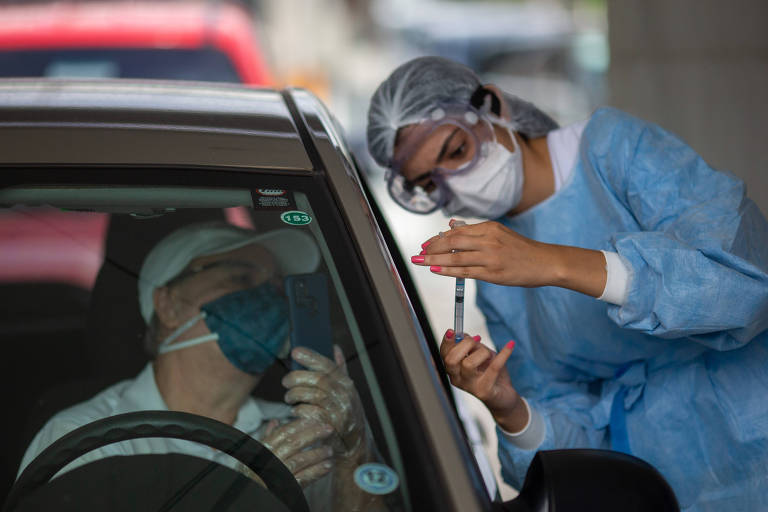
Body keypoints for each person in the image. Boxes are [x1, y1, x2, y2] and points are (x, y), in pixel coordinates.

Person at [366, 56, 768, 510]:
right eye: (430, 182)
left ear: (493, 106)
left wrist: (552, 262)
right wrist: (509, 408)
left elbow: (742, 284)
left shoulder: (614, 149)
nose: (455, 183)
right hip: (650, 485)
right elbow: (577, 438)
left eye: (457, 151)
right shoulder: (496, 279)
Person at [19, 221, 382, 511]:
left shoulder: (302, 434)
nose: (267, 300)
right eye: (240, 278)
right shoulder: (88, 436)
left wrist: (354, 452)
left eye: (274, 287)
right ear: (170, 304)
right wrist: (242, 493)